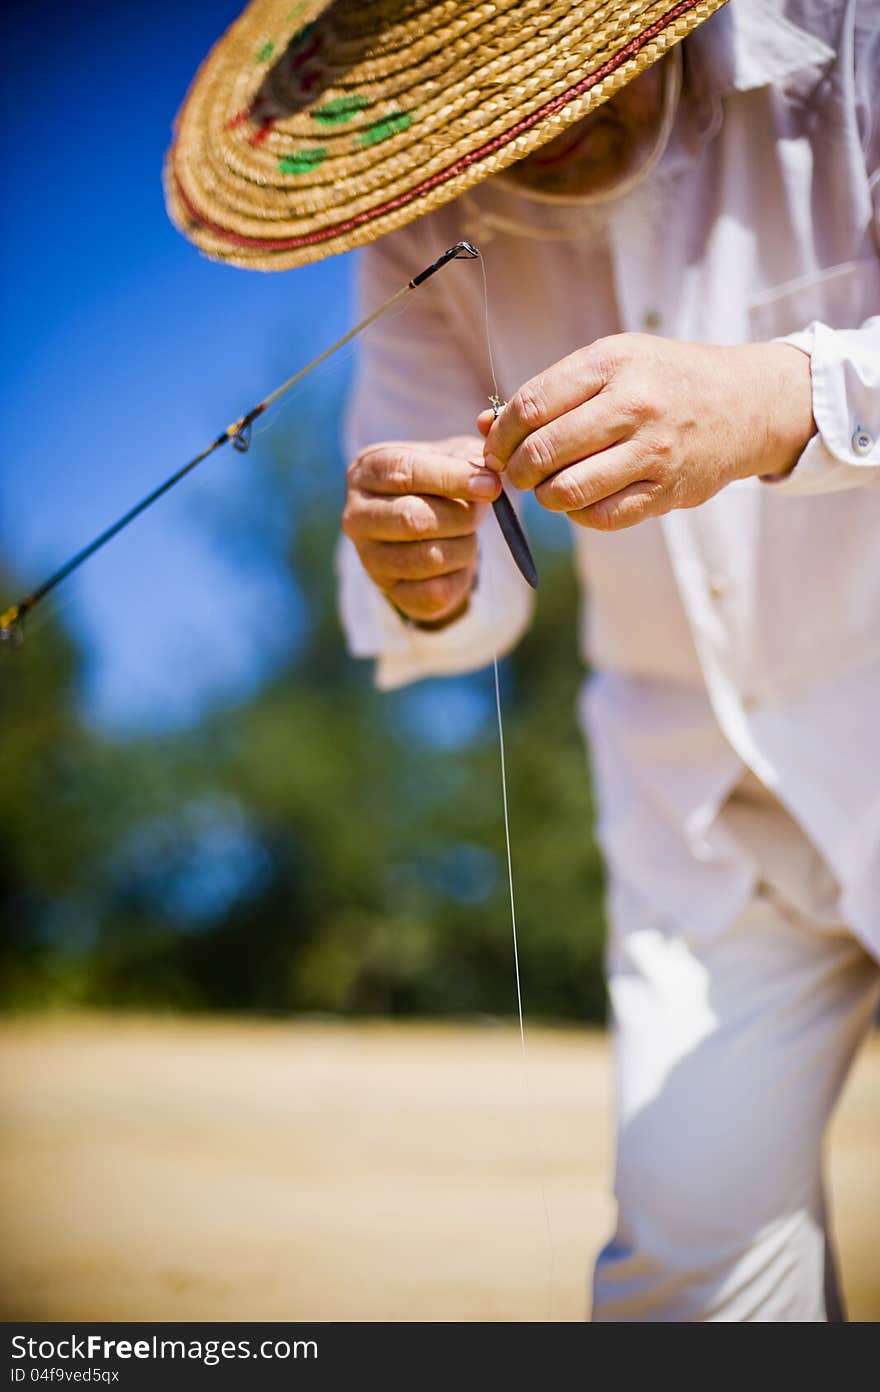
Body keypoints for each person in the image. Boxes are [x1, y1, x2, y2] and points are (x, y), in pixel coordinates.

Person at [167, 0, 880, 1320]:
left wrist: (775, 396)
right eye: (475, 114)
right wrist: (420, 571)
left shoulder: (849, 38)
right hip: (701, 820)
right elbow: (462, 600)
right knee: (693, 1283)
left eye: (545, 83)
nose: (527, 142)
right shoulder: (419, 229)